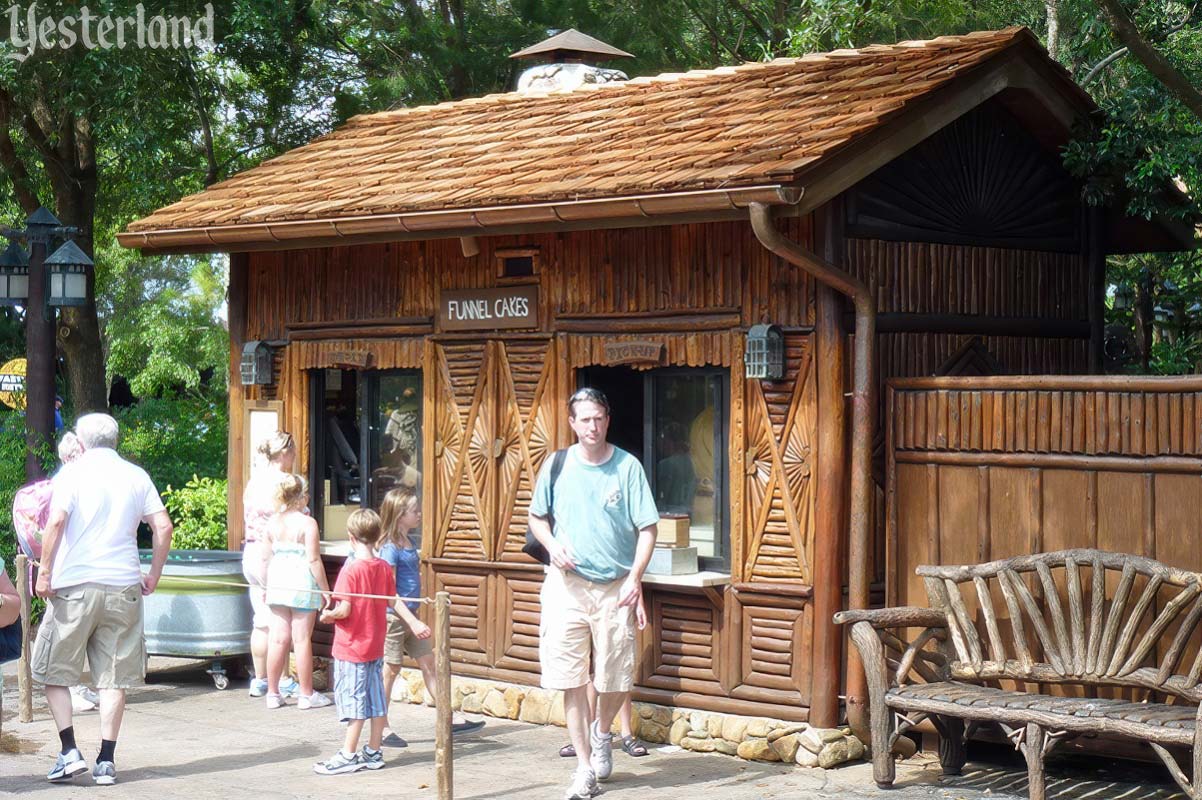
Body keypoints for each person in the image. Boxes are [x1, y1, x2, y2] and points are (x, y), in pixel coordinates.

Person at [529, 387, 659, 800]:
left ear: (608, 419)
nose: (592, 426)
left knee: (616, 675)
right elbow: (536, 519)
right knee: (570, 678)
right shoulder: (557, 464)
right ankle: (584, 766)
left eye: (598, 417)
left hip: (615, 588)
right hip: (566, 587)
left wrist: (635, 578)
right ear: (572, 422)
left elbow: (648, 529)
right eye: (584, 419)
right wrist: (553, 546)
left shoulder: (627, 467)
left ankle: (603, 733)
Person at [33, 413, 174, 786]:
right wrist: (154, 573)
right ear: (115, 439)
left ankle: (69, 751)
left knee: (51, 670)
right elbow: (162, 525)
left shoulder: (72, 475)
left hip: (76, 585)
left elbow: (56, 522)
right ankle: (107, 761)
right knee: (113, 679)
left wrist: (44, 571)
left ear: (81, 440)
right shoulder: (136, 475)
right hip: (124, 584)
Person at [377, 486, 484, 747]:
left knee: (429, 663)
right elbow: (389, 591)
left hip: (411, 616)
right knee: (390, 670)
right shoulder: (389, 548)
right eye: (414, 511)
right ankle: (380, 726)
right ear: (400, 515)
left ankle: (448, 717)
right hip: (394, 619)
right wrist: (411, 620)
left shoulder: (409, 542)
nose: (419, 514)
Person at [314, 509, 403, 775]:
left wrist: (328, 616)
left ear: (351, 538)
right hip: (374, 646)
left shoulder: (350, 570)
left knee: (354, 702)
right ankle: (374, 751)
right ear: (377, 537)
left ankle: (349, 754)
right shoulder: (383, 567)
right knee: (375, 699)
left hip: (352, 648)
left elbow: (345, 610)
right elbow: (391, 599)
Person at [262, 474, 332, 710]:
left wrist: (264, 586)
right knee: (301, 640)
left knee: (278, 638)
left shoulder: (272, 522)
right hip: (301, 582)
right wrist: (326, 590)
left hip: (277, 582)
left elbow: (265, 557)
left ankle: (272, 693)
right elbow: (313, 559)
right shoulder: (307, 523)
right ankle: (306, 694)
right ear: (301, 497)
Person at [243, 432, 302, 699]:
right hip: (276, 556)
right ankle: (284, 679)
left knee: (261, 620)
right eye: (293, 451)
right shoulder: (287, 482)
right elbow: (298, 518)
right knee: (281, 621)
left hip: (251, 552)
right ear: (284, 453)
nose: (296, 455)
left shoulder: (254, 482)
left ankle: (259, 679)